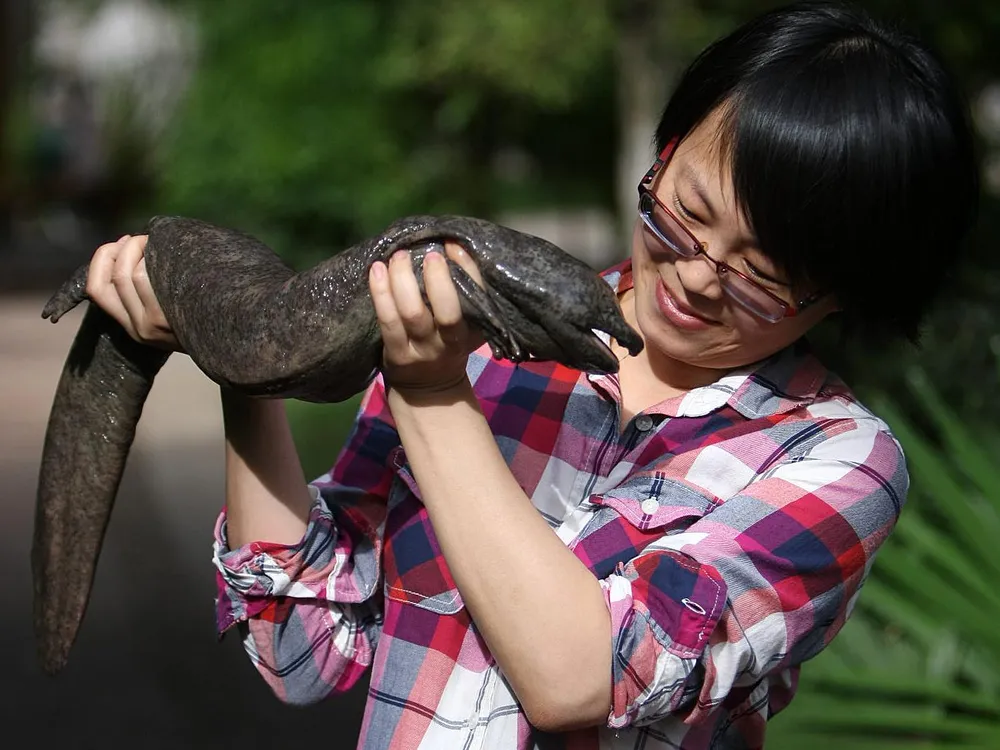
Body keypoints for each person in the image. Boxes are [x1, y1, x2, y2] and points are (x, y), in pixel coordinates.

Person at [83, 1, 978, 747]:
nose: (700, 276)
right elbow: (302, 651)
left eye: (765, 270)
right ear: (661, 153)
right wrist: (245, 355)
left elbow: (578, 676)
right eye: (687, 213)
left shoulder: (840, 464)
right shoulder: (474, 335)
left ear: (848, 295)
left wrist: (432, 396)